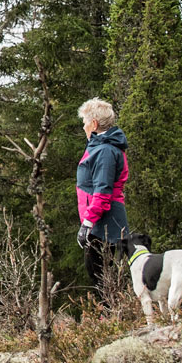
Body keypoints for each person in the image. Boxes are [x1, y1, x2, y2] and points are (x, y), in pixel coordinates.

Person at [74, 97, 129, 297]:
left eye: (85, 122)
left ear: (94, 124)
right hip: (101, 222)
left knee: (102, 278)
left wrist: (88, 223)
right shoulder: (100, 146)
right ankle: (113, 312)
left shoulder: (105, 150)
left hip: (105, 224)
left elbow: (103, 191)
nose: (83, 126)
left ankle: (113, 313)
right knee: (100, 276)